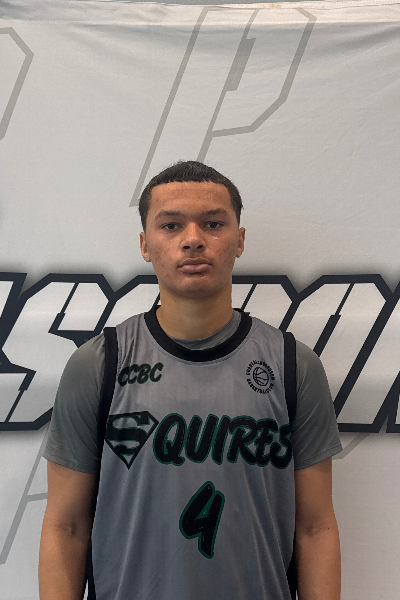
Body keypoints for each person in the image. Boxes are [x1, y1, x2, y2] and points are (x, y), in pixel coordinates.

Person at [39, 160, 342, 600]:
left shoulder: (292, 364)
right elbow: (65, 526)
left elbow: (315, 528)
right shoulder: (99, 364)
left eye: (213, 224)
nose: (194, 239)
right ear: (145, 244)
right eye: (171, 225)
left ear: (240, 240)